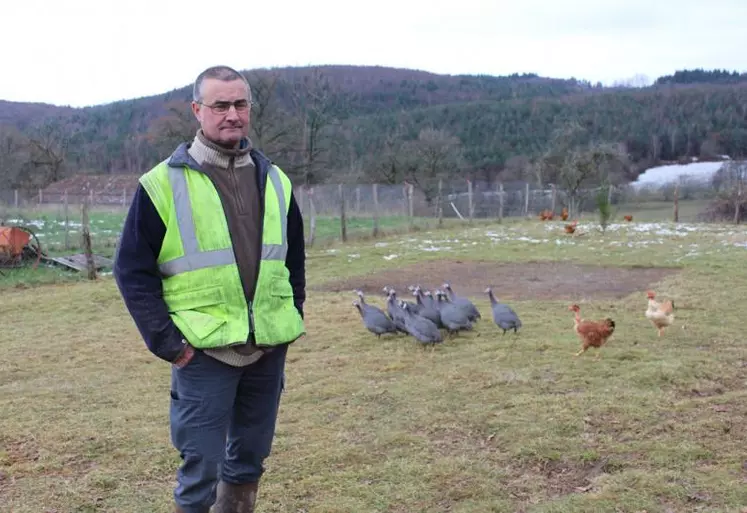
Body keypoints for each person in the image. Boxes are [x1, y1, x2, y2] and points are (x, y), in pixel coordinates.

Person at [113, 65, 306, 513]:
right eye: (220, 105)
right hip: (202, 352)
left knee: (250, 460)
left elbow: (293, 260)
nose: (232, 114)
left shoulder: (276, 180)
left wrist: (290, 315)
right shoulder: (162, 183)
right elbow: (131, 269)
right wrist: (169, 343)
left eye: (240, 104)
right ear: (198, 110)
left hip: (267, 349)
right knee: (201, 466)